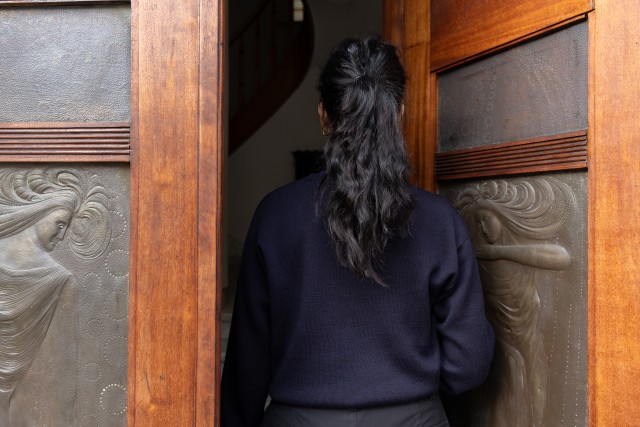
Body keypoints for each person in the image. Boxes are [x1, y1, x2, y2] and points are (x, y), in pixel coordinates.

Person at [221, 36, 494, 427]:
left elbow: (245, 371)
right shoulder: (439, 221)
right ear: (399, 114)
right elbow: (467, 365)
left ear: (323, 116)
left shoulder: (274, 216)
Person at [454, 178, 575, 427]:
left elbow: (562, 257)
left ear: (503, 217)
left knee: (534, 384)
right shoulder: (474, 252)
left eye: (487, 219)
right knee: (505, 391)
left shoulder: (512, 250)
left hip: (528, 331)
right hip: (500, 339)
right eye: (478, 222)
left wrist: (498, 252)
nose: (483, 227)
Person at [0, 168, 110, 425]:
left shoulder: (60, 281)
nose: (62, 236)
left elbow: (62, 365)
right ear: (39, 212)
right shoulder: (61, 281)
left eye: (66, 227)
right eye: (60, 224)